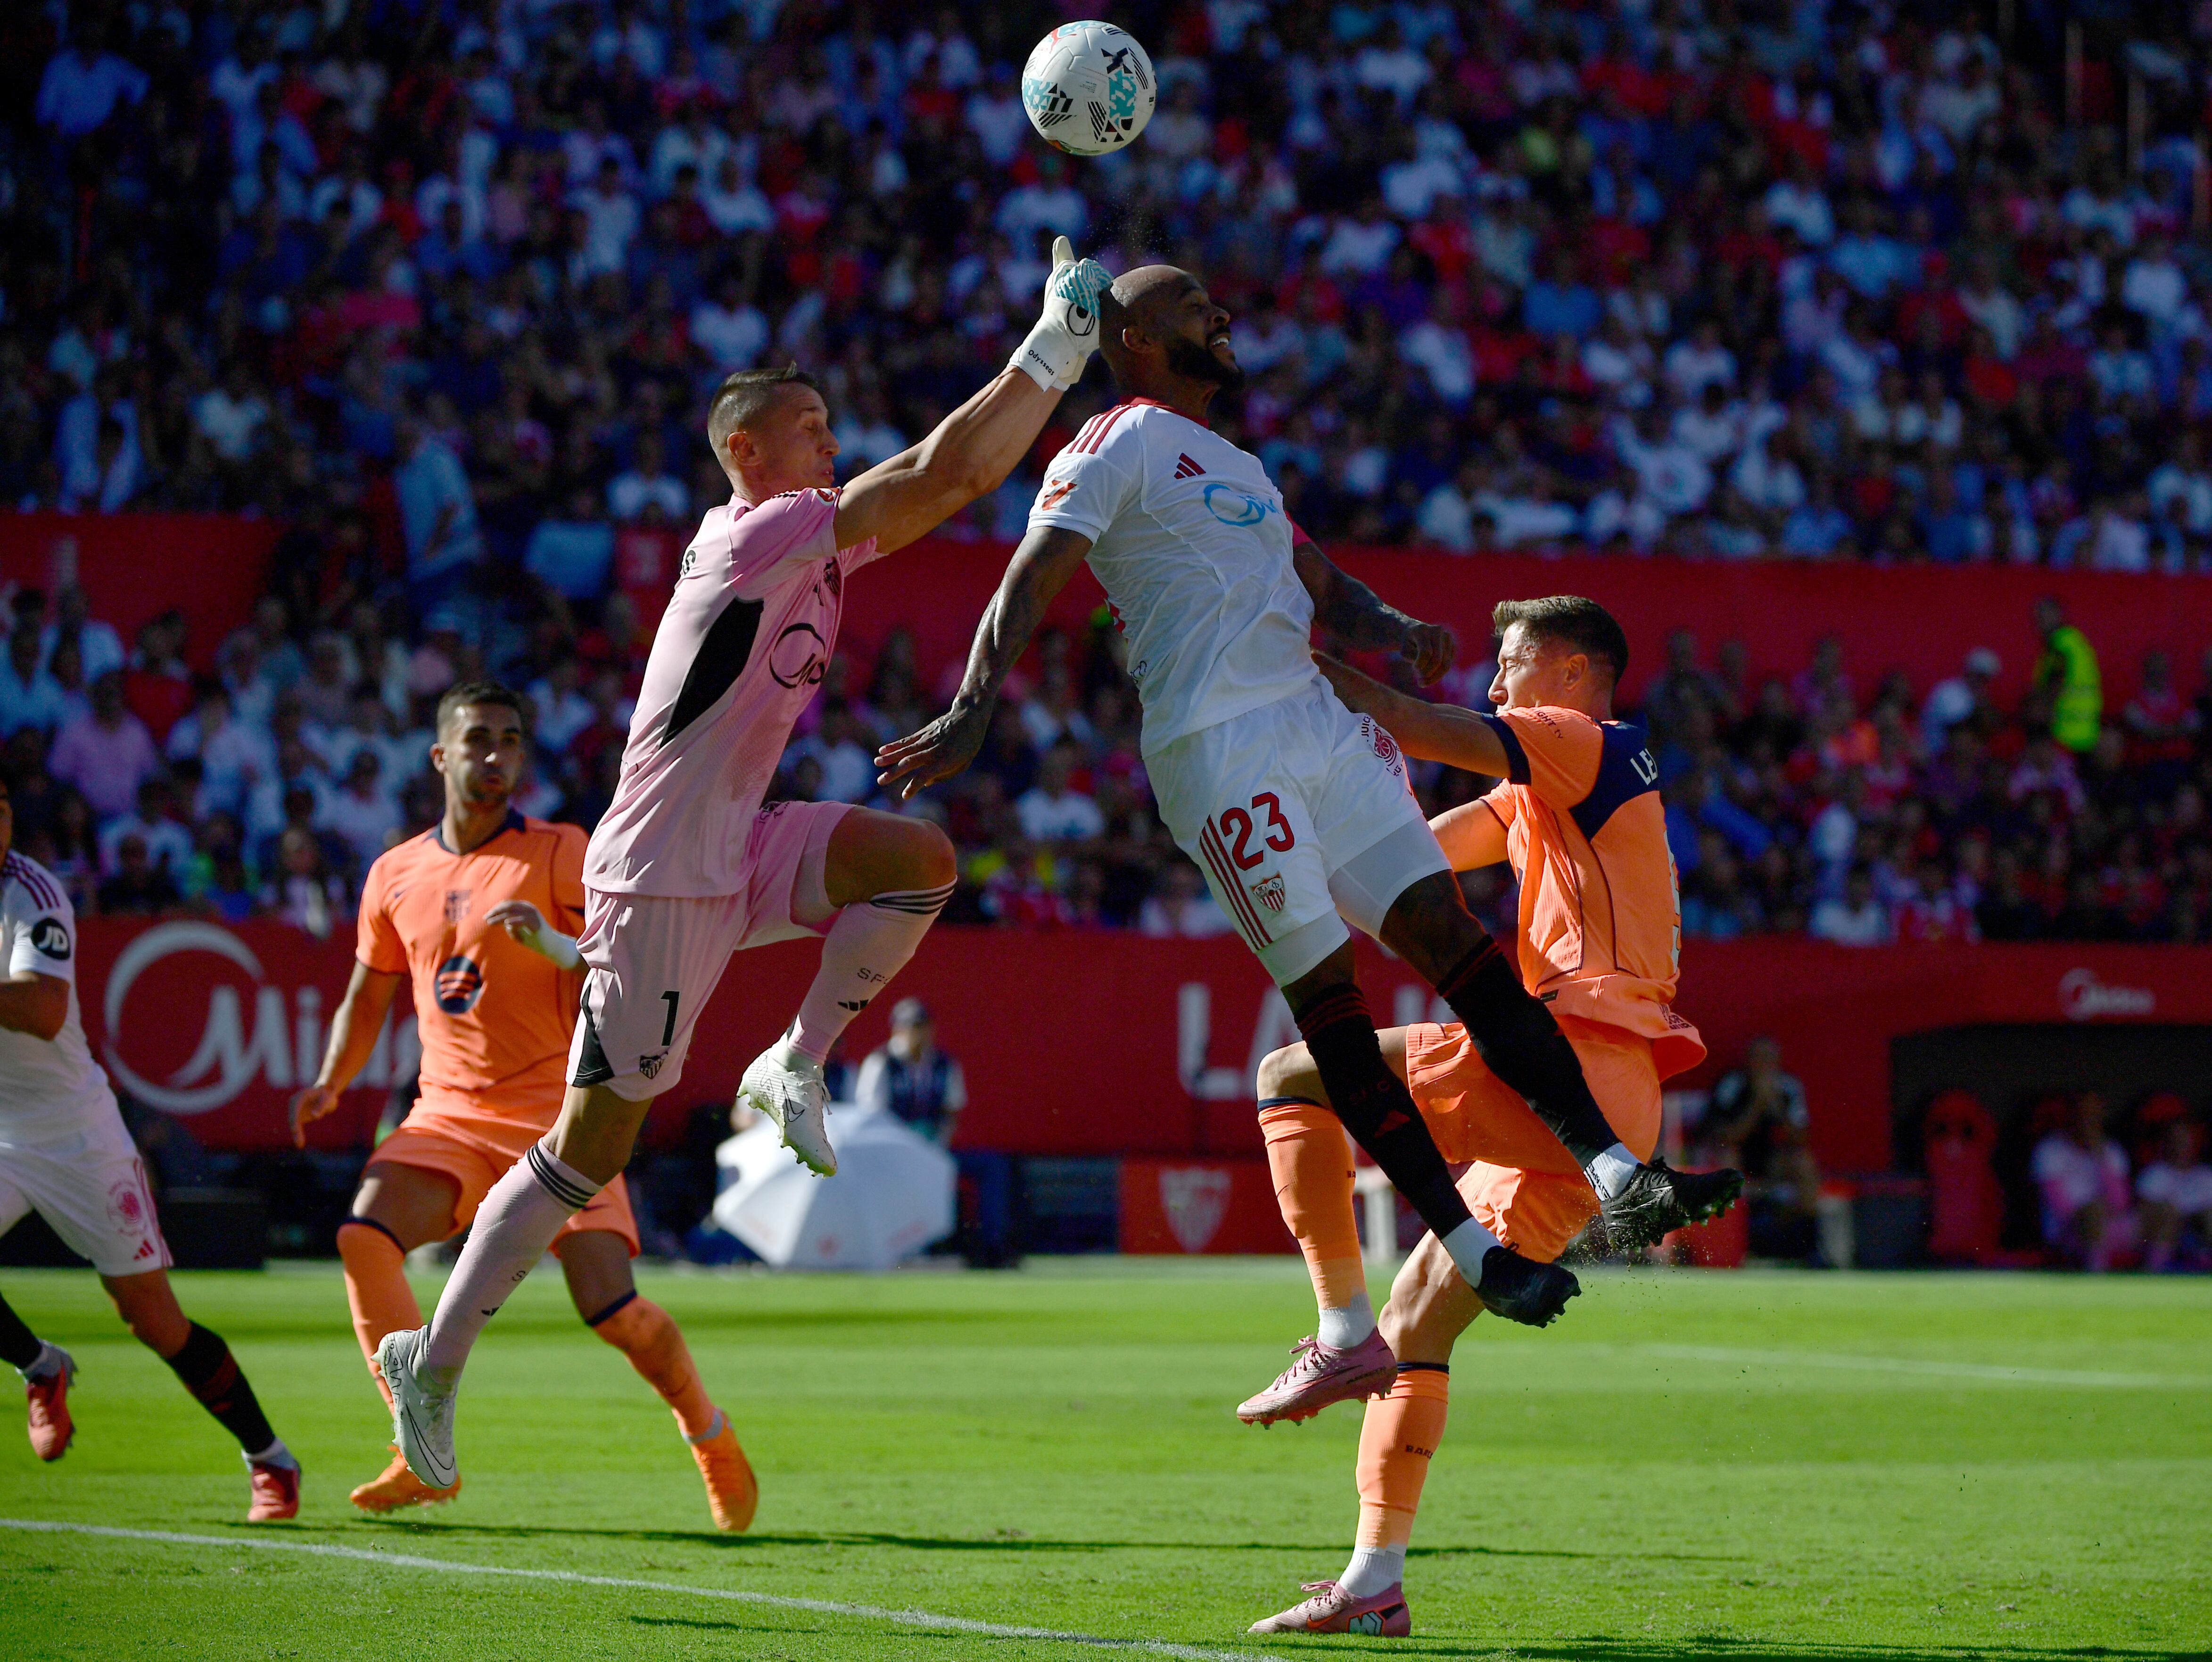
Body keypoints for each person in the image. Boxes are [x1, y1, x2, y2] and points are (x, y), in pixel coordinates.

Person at [876, 265, 1737, 1355]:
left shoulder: (1240, 466)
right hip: (1220, 746)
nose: (1221, 315)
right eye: (1193, 307)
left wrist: (1394, 628)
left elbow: (1322, 582)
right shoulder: (1113, 439)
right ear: (1137, 339)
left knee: (1456, 942)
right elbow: (1030, 573)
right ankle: (1473, 1253)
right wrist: (972, 707)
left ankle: (1616, 1172)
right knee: (1332, 1005)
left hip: (1318, 729)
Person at [375, 239, 1117, 1492]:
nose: (832, 440)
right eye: (809, 426)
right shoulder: (756, 533)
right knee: (589, 1150)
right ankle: (432, 1360)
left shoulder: (809, 544)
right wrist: (1054, 345)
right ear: (747, 451)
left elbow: (946, 484)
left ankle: (797, 1058)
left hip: (740, 837)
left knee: (919, 860)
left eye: (830, 424)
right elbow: (939, 471)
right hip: (663, 872)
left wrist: (1054, 366)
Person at [1235, 597, 1715, 1636]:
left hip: (1567, 1063)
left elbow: (1413, 721)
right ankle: (1374, 1583)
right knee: (1416, 1329)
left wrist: (1289, 665)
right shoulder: (1551, 788)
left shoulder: (1582, 739)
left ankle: (1334, 1330)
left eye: (1511, 663)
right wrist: (1289, 846)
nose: (1495, 687)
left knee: (1292, 1073)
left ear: (1574, 673)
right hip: (1613, 1101)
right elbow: (1408, 856)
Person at [291, 683, 753, 1525]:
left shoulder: (561, 851)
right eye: (478, 739)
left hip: (559, 1116)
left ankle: (707, 1430)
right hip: (448, 1114)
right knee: (364, 1235)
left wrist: (556, 946)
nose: (495, 755)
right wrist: (331, 1079)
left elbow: (628, 958)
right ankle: (417, 1441)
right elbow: (368, 994)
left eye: (509, 739)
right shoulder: (395, 871)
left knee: (615, 1312)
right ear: (441, 755)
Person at [0, 775, 299, 1521]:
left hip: (75, 1132)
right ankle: (39, 1364)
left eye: (2, 807)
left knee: (152, 1318)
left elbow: (43, 1009)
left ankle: (270, 1457)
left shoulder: (32, 892)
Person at [2031, 1092, 2135, 1271]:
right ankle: (2096, 1276)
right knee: (2093, 1211)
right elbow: (2061, 1209)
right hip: (2068, 1231)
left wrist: (2099, 1156)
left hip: (2113, 1226)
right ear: (2071, 1115)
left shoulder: (2111, 1150)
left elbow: (2120, 1204)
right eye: (2083, 1114)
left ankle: (2157, 1277)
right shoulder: (2049, 1149)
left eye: (2093, 1115)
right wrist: (2096, 1211)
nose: (2087, 1121)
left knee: (2163, 1210)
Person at [852, 997, 966, 1144]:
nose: (920, 1033)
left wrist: (938, 1141)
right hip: (890, 1143)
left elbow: (952, 1108)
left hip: (932, 1144)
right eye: (914, 1027)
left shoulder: (944, 1063)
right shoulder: (881, 1062)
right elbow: (871, 1111)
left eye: (924, 1026)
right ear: (898, 1030)